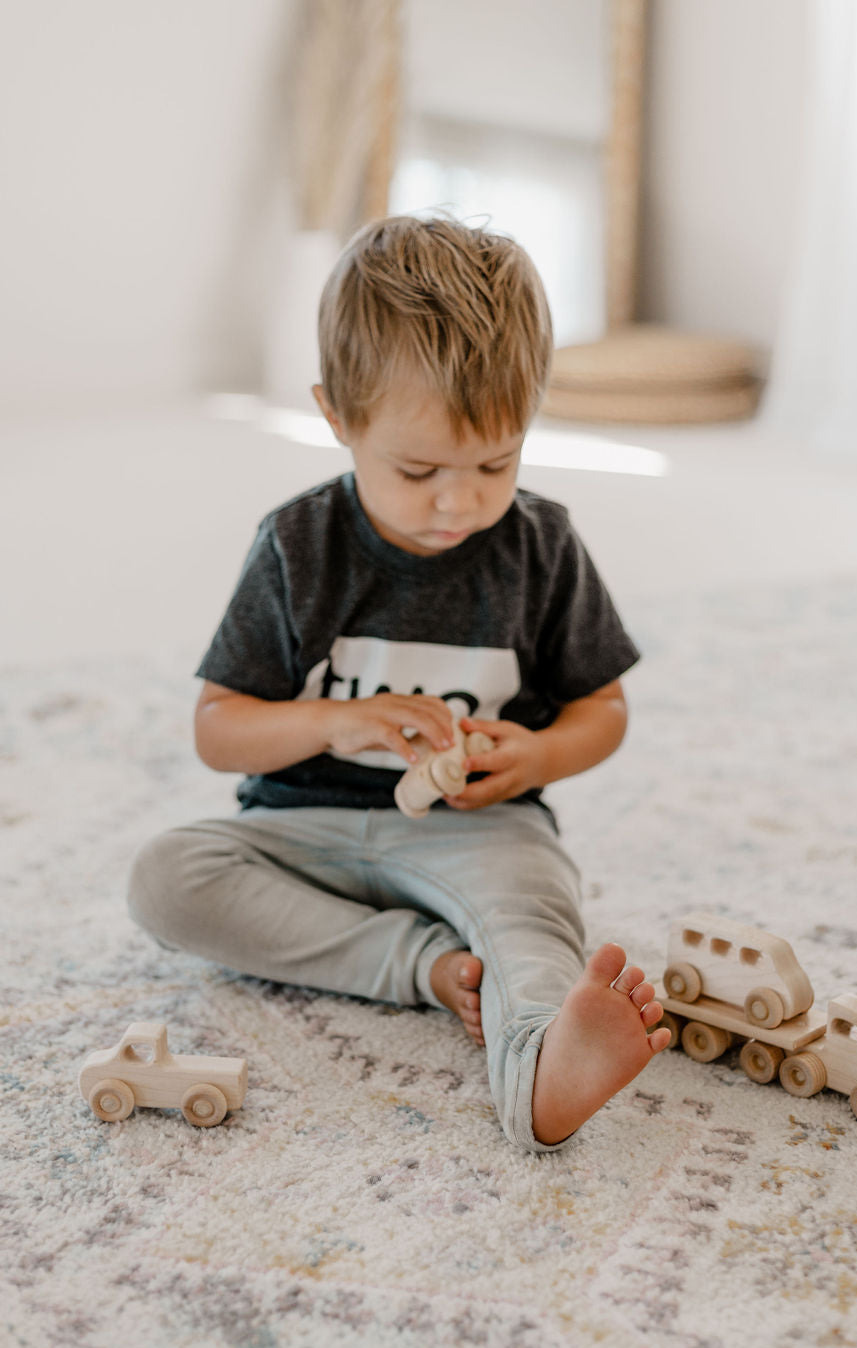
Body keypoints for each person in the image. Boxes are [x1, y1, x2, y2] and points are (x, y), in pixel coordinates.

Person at [128, 214, 669, 1151]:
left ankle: (544, 1062)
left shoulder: (541, 546)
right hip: (304, 827)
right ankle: (418, 964)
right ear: (337, 414)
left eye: (496, 463)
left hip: (481, 830)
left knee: (537, 918)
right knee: (167, 878)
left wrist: (538, 752)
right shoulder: (298, 544)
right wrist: (333, 725)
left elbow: (602, 707)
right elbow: (219, 728)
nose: (458, 501)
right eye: (418, 469)